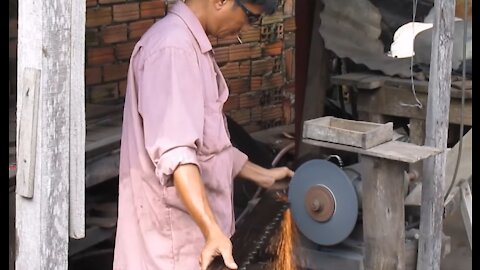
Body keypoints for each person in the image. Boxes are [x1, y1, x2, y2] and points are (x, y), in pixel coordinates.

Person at [113, 0, 294, 269]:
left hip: (194, 242)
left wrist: (264, 176)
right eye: (249, 17)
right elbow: (178, 156)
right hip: (173, 249)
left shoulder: (191, 47)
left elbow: (209, 146)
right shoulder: (171, 50)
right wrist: (211, 230)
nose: (245, 27)